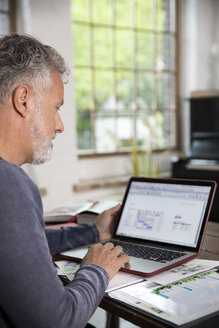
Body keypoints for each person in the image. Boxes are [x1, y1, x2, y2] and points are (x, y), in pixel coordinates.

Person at [0, 33, 129, 328]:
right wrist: (96, 270)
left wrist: (94, 232)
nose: (59, 126)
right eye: (56, 107)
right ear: (23, 100)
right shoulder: (8, 184)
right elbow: (56, 321)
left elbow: (21, 246)